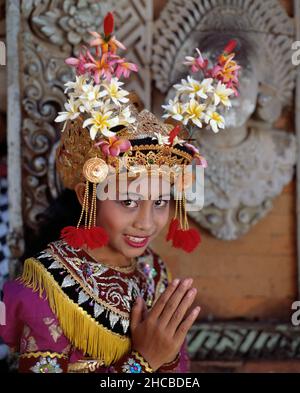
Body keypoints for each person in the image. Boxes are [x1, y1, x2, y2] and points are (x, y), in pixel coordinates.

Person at [0, 12, 206, 373]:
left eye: (160, 202)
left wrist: (168, 358)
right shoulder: (44, 287)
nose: (147, 223)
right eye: (128, 201)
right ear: (86, 195)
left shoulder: (154, 273)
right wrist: (142, 364)